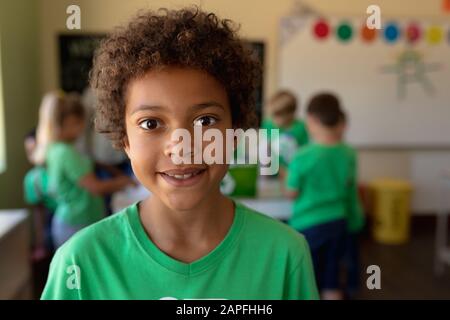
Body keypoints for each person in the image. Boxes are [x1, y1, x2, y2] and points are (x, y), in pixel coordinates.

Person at [41, 8, 318, 300]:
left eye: (206, 121)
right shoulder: (80, 264)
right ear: (124, 139)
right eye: (151, 123)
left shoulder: (285, 255)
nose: (182, 147)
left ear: (235, 130)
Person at [285, 93, 364, 300]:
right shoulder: (348, 153)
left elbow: (292, 193)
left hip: (307, 227)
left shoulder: (302, 156)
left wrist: (286, 175)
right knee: (332, 281)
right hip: (338, 222)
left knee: (306, 282)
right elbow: (350, 189)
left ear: (311, 120)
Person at [33, 92, 134, 249]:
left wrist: (114, 172)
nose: (82, 129)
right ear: (68, 122)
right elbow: (95, 187)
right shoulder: (66, 153)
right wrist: (124, 182)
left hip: (71, 220)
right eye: (79, 123)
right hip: (76, 223)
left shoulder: (56, 148)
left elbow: (89, 163)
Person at [261, 90, 309, 188]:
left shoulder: (300, 128)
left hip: (293, 176)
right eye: (272, 115)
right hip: (272, 175)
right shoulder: (268, 125)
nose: (274, 119)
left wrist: (291, 173)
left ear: (291, 114)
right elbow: (265, 150)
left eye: (277, 115)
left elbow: (304, 154)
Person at [23, 128, 57, 260]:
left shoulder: (59, 166)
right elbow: (38, 213)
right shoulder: (32, 179)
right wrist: (39, 244)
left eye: (36, 150)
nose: (32, 156)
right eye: (29, 152)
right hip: (50, 217)